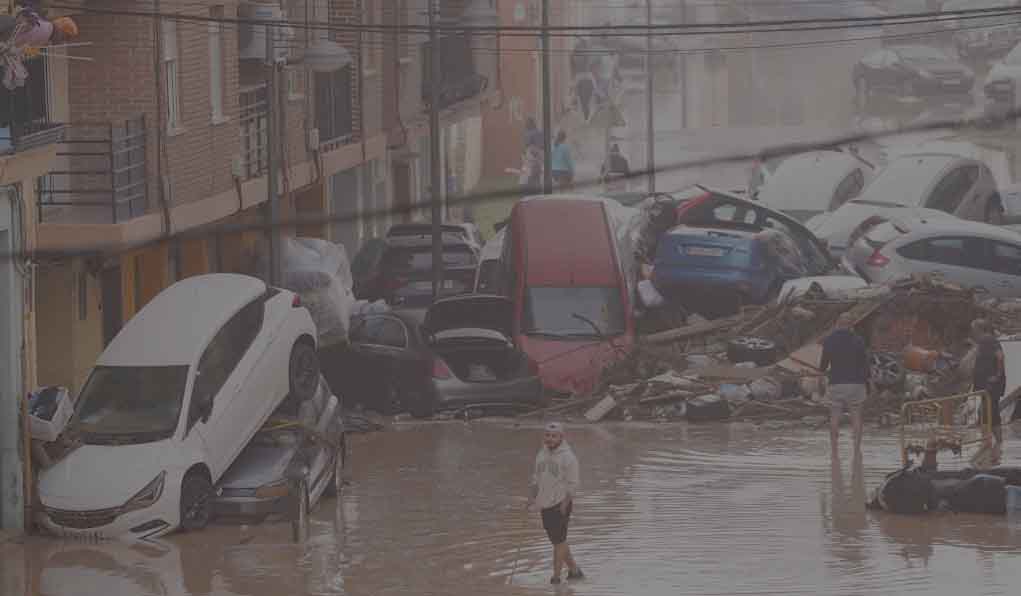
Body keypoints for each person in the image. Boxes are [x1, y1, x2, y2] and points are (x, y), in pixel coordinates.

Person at [527, 422, 582, 585]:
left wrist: (565, 504)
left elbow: (573, 484)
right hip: (544, 504)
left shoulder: (569, 457)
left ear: (561, 437)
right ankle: (574, 570)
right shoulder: (541, 454)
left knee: (558, 542)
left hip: (560, 504)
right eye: (547, 435)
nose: (550, 439)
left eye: (553, 436)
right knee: (559, 541)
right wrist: (531, 498)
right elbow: (536, 478)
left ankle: (556, 578)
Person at [819, 312, 870, 455]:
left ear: (837, 324)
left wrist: (821, 373)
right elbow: (864, 363)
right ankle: (857, 450)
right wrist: (869, 380)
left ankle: (834, 450)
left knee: (834, 416)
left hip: (836, 382)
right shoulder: (858, 340)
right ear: (852, 326)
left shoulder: (829, 340)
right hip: (856, 384)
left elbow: (823, 364)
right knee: (856, 416)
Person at [971, 318, 1006, 459]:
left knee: (985, 414)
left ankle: (986, 444)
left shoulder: (987, 340)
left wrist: (996, 376)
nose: (972, 332)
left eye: (973, 329)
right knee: (993, 414)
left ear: (979, 329)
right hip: (990, 386)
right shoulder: (986, 341)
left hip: (990, 386)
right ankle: (998, 444)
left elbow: (1000, 357)